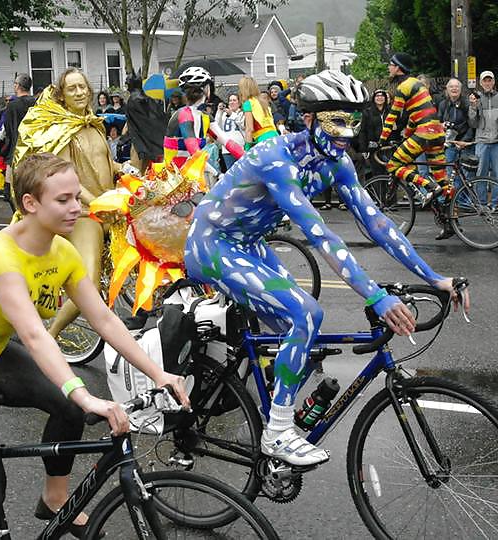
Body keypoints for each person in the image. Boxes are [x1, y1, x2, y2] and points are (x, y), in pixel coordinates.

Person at [184, 69, 468, 466]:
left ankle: (270, 412)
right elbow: (320, 235)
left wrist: (435, 278)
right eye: (337, 121)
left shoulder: (336, 162)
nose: (346, 133)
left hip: (249, 244)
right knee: (305, 314)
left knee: (303, 333)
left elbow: (378, 224)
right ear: (310, 119)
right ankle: (278, 432)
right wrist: (375, 296)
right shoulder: (275, 157)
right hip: (211, 244)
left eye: (351, 120)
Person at [0, 153, 189, 539]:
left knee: (67, 406)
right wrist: (86, 395)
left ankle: (54, 499)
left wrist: (159, 374)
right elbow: (34, 335)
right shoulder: (2, 254)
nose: (77, 207)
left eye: (77, 197)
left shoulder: (62, 252)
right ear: (31, 203)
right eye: (64, 200)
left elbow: (105, 319)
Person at [12, 68, 120, 338]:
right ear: (62, 95)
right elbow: (66, 176)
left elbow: (102, 161)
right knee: (90, 286)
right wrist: (95, 203)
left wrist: (124, 168)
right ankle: (51, 336)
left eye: (82, 86)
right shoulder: (61, 130)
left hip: (107, 208)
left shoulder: (94, 125)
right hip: (84, 214)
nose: (79, 92)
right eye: (72, 88)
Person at [380, 52, 453, 240]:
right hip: (436, 133)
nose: (389, 67)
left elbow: (393, 115)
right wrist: (407, 134)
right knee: (443, 181)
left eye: (391, 64)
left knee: (393, 165)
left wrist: (383, 139)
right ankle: (450, 223)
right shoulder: (418, 85)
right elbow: (417, 114)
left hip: (425, 133)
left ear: (398, 68)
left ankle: (428, 186)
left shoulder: (403, 86)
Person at [164, 66, 213, 170]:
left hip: (192, 172)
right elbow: (193, 151)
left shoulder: (205, 116)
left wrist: (247, 158)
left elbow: (228, 142)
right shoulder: (184, 114)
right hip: (175, 177)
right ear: (205, 89)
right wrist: (217, 173)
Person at [1, 73, 35, 206]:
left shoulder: (12, 106)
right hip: (34, 149)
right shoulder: (37, 103)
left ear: (18, 86)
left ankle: (19, 215)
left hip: (16, 150)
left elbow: (8, 130)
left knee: (11, 190)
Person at [439, 78, 474, 183]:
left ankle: (466, 200)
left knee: (466, 176)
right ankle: (455, 199)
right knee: (450, 174)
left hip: (465, 144)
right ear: (447, 89)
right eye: (451, 86)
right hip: (450, 144)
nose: (454, 88)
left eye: (456, 86)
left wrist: (464, 141)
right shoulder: (443, 104)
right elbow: (438, 122)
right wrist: (442, 125)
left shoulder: (467, 104)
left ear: (460, 89)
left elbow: (472, 125)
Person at [468, 71, 498, 187]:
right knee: (480, 174)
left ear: (494, 82)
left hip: (496, 142)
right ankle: (482, 203)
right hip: (481, 142)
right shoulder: (476, 99)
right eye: (484, 81)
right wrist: (473, 107)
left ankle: (495, 204)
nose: (487, 83)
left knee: (497, 175)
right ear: (480, 83)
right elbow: (472, 123)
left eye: (489, 80)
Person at [239, 77, 279, 150]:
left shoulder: (248, 103)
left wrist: (247, 148)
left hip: (263, 139)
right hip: (275, 136)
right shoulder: (263, 101)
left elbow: (249, 129)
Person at [215, 94, 245, 170]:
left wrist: (232, 114)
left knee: (242, 171)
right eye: (230, 100)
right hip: (227, 149)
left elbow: (243, 125)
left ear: (239, 103)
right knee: (231, 172)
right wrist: (219, 111)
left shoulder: (242, 113)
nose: (232, 102)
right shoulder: (224, 115)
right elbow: (216, 126)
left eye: (234, 100)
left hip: (240, 147)